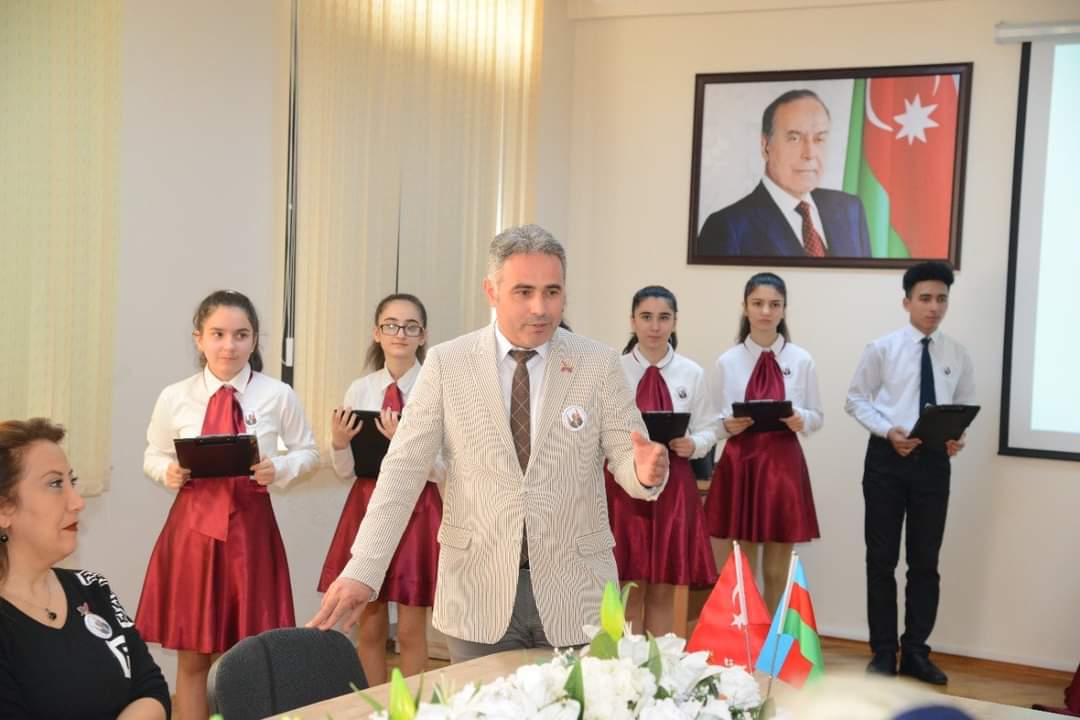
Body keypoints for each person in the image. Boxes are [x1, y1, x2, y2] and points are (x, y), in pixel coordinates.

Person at [309, 224, 670, 661]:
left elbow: (628, 456)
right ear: (491, 291)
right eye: (524, 292)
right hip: (476, 592)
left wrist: (644, 472)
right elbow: (402, 473)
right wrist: (363, 569)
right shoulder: (447, 363)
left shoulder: (598, 363)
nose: (540, 308)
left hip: (577, 592)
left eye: (552, 292)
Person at [136, 290, 319, 720]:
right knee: (193, 657)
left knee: (247, 657)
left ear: (254, 340)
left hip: (251, 537)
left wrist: (280, 467)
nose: (229, 346)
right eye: (217, 334)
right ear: (199, 338)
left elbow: (309, 452)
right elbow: (152, 454)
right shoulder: (175, 396)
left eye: (241, 335)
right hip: (192, 538)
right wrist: (167, 472)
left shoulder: (277, 395)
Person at [845, 261, 974, 685]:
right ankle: (884, 652)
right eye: (925, 298)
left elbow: (963, 406)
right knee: (881, 561)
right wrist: (888, 431)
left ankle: (916, 651)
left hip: (933, 464)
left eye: (942, 299)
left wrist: (956, 437)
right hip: (886, 460)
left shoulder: (957, 353)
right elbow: (855, 399)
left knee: (925, 563)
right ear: (907, 302)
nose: (934, 307)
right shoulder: (882, 348)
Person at [0, 418, 170, 719]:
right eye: (55, 484)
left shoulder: (92, 588)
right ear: (4, 509)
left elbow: (151, 688)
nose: (77, 502)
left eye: (72, 482)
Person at [318, 292, 442, 685]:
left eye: (411, 327)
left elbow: (445, 468)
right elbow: (346, 471)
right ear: (377, 333)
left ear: (423, 335)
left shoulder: (436, 385)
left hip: (418, 508)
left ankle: (415, 709)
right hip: (366, 503)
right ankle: (374, 708)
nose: (400, 334)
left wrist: (407, 444)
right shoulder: (361, 389)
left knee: (409, 630)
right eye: (391, 325)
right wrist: (339, 442)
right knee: (368, 627)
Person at [703, 272, 823, 614]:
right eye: (757, 303)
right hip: (741, 464)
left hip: (782, 467)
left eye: (774, 304)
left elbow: (817, 416)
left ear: (784, 309)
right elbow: (712, 422)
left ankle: (774, 640)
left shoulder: (801, 359)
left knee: (776, 570)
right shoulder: (728, 361)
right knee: (741, 570)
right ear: (745, 308)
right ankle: (744, 640)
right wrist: (727, 425)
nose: (766, 311)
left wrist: (801, 418)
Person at [606, 285, 717, 636]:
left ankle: (657, 663)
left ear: (675, 322)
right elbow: (599, 429)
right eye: (646, 317)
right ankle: (625, 664)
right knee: (627, 585)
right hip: (624, 488)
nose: (655, 326)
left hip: (674, 486)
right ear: (632, 321)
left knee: (664, 586)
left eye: (663, 318)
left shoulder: (691, 373)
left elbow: (710, 427)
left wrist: (693, 443)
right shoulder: (613, 369)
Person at [696, 89, 871, 259]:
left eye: (819, 139)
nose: (810, 154)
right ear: (766, 146)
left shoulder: (850, 209)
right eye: (794, 138)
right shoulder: (727, 227)